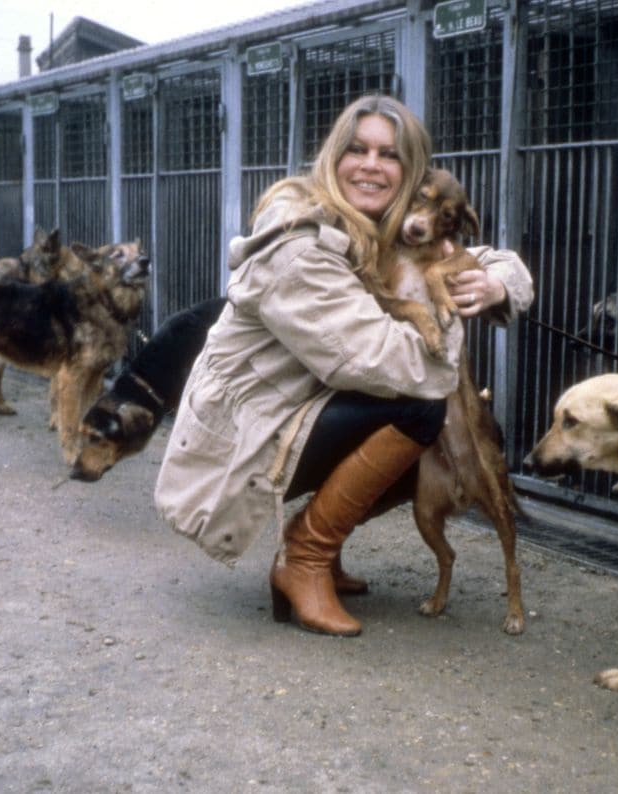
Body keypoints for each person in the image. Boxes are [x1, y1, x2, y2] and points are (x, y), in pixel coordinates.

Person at [154, 95, 534, 636]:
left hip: (296, 412)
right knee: (421, 410)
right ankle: (304, 557)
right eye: (357, 149)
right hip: (244, 441)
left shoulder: (382, 222)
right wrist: (448, 319)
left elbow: (482, 254)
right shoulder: (299, 245)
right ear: (334, 155)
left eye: (389, 154)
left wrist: (495, 283)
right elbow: (381, 361)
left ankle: (321, 550)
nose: (371, 165)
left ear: (411, 172)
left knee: (420, 429)